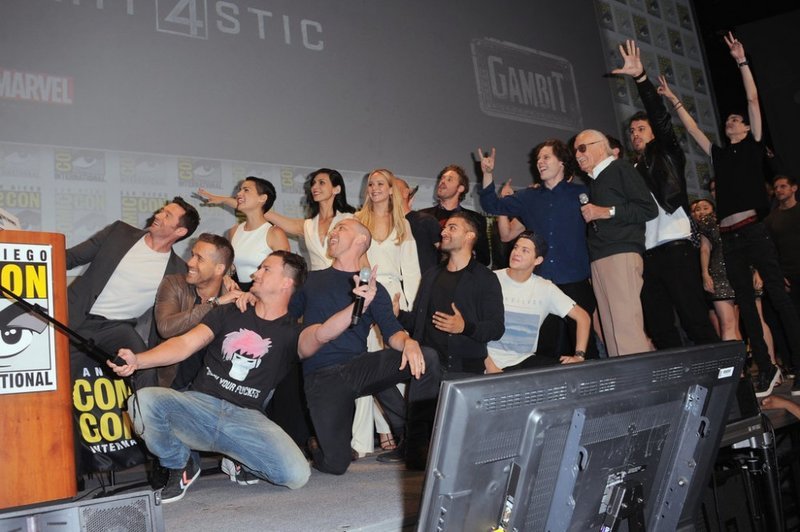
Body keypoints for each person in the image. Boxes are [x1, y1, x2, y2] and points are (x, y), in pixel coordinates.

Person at [108, 250, 378, 502]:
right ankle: (180, 464)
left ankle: (239, 458)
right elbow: (185, 344)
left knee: (296, 475)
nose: (255, 274)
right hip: (200, 406)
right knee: (141, 402)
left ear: (286, 283)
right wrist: (138, 360)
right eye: (259, 268)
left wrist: (358, 306)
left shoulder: (292, 333)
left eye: (265, 269)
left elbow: (323, 333)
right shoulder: (229, 312)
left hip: (246, 419)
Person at [661, 33, 800, 396]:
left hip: (755, 231)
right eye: (728, 121)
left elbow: (753, 99)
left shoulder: (754, 146)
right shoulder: (719, 155)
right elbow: (692, 129)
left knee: (778, 298)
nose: (731, 122)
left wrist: (741, 61)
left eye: (735, 119)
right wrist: (674, 99)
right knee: (748, 311)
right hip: (730, 238)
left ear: (745, 127)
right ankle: (766, 370)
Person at [288, 218, 441, 474]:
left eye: (341, 228)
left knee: (427, 357)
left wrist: (409, 342)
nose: (333, 233)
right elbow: (285, 319)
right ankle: (318, 444)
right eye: (334, 229)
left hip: (358, 368)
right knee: (335, 464)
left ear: (361, 240)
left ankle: (416, 447)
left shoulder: (374, 288)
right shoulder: (310, 280)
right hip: (321, 375)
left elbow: (392, 332)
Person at [613, 39, 719, 349]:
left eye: (641, 129)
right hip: (647, 254)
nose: (635, 135)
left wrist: (641, 78)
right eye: (632, 132)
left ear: (655, 133)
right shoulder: (628, 169)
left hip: (676, 247)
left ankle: (734, 394)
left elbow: (660, 117)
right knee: (660, 329)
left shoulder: (667, 154)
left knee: (695, 321)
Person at [478, 143, 599, 360]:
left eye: (546, 157)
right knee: (546, 349)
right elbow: (492, 205)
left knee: (585, 349)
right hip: (541, 286)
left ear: (562, 162)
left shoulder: (582, 193)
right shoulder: (528, 197)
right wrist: (487, 174)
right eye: (538, 159)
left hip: (576, 281)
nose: (539, 162)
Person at [67, 197, 200, 375]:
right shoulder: (119, 233)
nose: (158, 215)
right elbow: (71, 257)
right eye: (161, 210)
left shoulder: (178, 271)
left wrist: (228, 278)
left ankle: (149, 402)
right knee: (59, 376)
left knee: (147, 368)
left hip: (117, 328)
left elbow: (206, 283)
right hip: (78, 316)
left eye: (167, 215)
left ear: (180, 231)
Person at [353, 169, 422, 455]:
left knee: (395, 370)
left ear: (392, 189)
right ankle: (361, 442)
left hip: (396, 299)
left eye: (381, 183)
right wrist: (368, 301)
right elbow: (357, 263)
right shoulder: (357, 221)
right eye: (371, 184)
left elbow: (413, 273)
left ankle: (399, 432)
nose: (375, 188)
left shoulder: (403, 225)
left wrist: (405, 310)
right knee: (364, 368)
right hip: (367, 296)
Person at [575, 130, 658, 356]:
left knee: (626, 327)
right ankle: (628, 384)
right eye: (575, 151)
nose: (578, 154)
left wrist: (606, 211)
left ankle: (641, 385)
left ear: (601, 147)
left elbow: (648, 209)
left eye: (582, 148)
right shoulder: (595, 182)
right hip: (600, 257)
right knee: (611, 330)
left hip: (621, 252)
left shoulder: (619, 168)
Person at [399, 212, 505, 376]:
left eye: (452, 228)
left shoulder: (485, 278)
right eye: (444, 228)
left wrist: (464, 327)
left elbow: (496, 328)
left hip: (463, 370)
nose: (443, 232)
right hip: (425, 367)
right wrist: (397, 314)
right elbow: (417, 323)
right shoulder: (431, 275)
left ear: (469, 236)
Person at [199, 169, 356, 272]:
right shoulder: (307, 225)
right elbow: (260, 211)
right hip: (316, 284)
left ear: (337, 189)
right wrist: (224, 200)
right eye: (313, 183)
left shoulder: (350, 220)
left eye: (321, 183)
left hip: (344, 280)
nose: (315, 187)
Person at [484, 230, 591, 373]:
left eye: (525, 250)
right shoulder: (490, 279)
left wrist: (579, 356)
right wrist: (490, 367)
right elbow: (471, 326)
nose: (516, 253)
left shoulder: (545, 288)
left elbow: (583, 317)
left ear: (537, 260)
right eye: (515, 248)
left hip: (523, 361)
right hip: (485, 359)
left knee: (571, 373)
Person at [153, 233, 241, 389]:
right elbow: (166, 328)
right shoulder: (174, 283)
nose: (190, 262)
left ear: (219, 269)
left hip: (211, 391)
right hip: (171, 384)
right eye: (192, 255)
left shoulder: (234, 296)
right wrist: (215, 304)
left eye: (199, 259)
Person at [200, 177, 289, 291]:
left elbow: (285, 273)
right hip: (237, 295)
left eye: (246, 190)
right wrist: (226, 277)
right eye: (240, 190)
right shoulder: (234, 231)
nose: (239, 194)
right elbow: (230, 267)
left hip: (264, 295)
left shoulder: (275, 233)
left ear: (262, 198)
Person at [690, 199, 740, 342]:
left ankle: (741, 361)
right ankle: (731, 362)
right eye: (697, 209)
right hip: (716, 276)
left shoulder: (725, 223)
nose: (701, 212)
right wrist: (705, 274)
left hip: (734, 273)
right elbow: (704, 250)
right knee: (726, 324)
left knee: (734, 324)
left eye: (705, 208)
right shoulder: (701, 229)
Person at [421, 164, 491, 266]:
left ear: (460, 188)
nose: (442, 182)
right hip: (430, 276)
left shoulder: (476, 219)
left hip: (462, 278)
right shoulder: (423, 216)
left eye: (449, 179)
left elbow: (484, 258)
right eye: (442, 178)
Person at [764, 175, 800, 332]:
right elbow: (770, 251)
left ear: (794, 188)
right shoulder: (770, 220)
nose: (778, 190)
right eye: (776, 187)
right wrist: (779, 275)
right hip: (789, 276)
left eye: (783, 186)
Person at [395, 177, 441, 274]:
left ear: (405, 193)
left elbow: (446, 252)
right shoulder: (385, 225)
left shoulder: (426, 220)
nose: (389, 193)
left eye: (393, 188)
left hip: (424, 284)